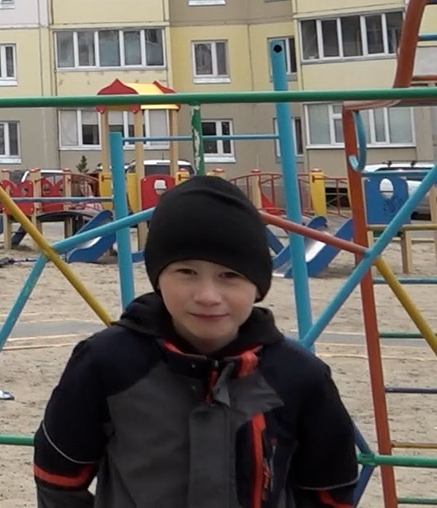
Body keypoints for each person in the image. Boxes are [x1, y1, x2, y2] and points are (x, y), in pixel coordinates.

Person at [33, 175, 359, 508]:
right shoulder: (107, 363)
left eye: (229, 275)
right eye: (186, 272)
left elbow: (330, 492)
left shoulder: (299, 378)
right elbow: (57, 477)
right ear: (158, 278)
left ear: (258, 286)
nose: (207, 296)